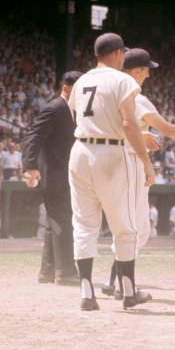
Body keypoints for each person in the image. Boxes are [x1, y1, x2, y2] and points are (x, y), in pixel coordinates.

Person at [101, 48, 175, 297]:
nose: (149, 76)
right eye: (146, 70)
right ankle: (121, 284)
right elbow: (166, 129)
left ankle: (114, 282)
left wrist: (139, 135)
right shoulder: (136, 97)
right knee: (136, 230)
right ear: (137, 71)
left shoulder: (110, 94)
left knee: (125, 227)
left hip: (106, 163)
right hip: (130, 165)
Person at [67, 33, 155, 311]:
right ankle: (128, 291)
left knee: (83, 225)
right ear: (118, 54)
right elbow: (129, 124)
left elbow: (75, 116)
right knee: (125, 226)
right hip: (112, 152)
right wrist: (146, 161)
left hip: (80, 151)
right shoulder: (123, 80)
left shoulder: (81, 81)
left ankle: (86, 293)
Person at [22, 71, 83, 286]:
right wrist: (29, 166)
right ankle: (65, 272)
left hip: (64, 173)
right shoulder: (55, 107)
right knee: (63, 220)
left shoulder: (74, 109)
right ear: (66, 89)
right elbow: (33, 135)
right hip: (54, 173)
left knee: (54, 221)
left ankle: (47, 272)